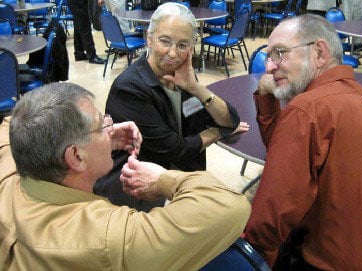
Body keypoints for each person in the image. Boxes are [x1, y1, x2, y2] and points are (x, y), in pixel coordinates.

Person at [0, 82, 251, 270]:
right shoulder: (110, 238)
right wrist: (162, 179)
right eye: (102, 124)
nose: (111, 127)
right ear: (76, 157)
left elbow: (13, 121)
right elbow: (232, 206)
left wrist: (100, 137)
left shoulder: (9, 173)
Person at [244, 14, 362, 270]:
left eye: (280, 53)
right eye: (269, 56)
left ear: (319, 52)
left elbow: (269, 220)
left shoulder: (307, 110)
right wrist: (266, 97)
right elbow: (287, 156)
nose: (269, 67)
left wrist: (249, 258)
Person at [94, 2, 249, 209]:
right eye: (165, 41)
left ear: (191, 48)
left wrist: (195, 88)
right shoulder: (130, 89)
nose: (173, 54)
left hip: (177, 175)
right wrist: (218, 132)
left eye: (183, 45)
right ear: (149, 38)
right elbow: (177, 149)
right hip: (139, 188)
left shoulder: (181, 79)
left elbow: (230, 119)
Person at [67, 0, 105, 64]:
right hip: (78, 3)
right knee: (85, 26)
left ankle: (79, 53)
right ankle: (92, 55)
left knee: (78, 27)